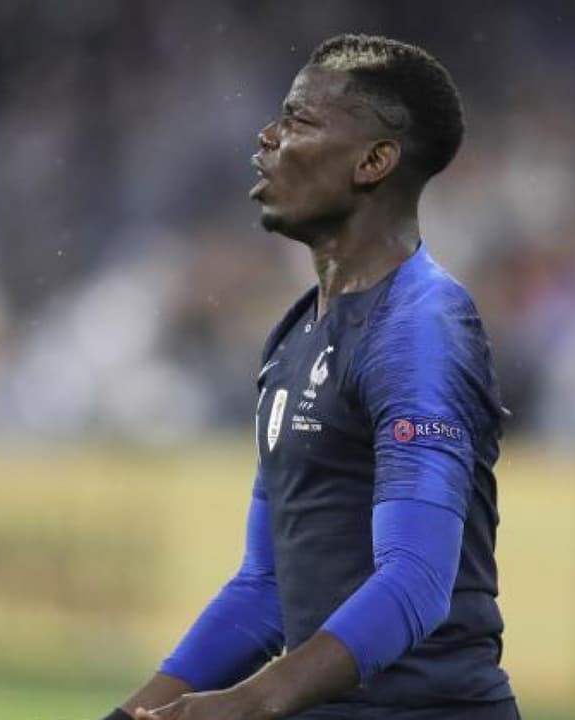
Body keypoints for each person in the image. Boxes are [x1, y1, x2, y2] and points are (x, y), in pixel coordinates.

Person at [104, 34, 517, 720]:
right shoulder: (296, 333)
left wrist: (247, 703)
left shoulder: (420, 325)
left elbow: (416, 582)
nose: (266, 137)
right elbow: (265, 588)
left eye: (298, 119)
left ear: (373, 161)